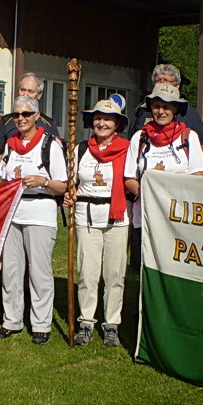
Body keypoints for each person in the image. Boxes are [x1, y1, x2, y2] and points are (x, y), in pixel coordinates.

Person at [0, 96, 67, 344]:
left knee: (39, 271)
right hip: (13, 212)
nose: (21, 119)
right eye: (17, 115)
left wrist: (43, 181)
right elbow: (3, 179)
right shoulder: (11, 145)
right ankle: (11, 320)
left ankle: (41, 324)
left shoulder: (50, 144)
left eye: (26, 114)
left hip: (40, 210)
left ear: (37, 116)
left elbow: (63, 186)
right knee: (12, 271)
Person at [67, 99, 130, 348]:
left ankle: (112, 324)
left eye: (108, 118)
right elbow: (70, 181)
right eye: (98, 117)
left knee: (115, 274)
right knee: (88, 273)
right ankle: (86, 322)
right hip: (86, 216)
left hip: (117, 217)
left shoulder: (126, 149)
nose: (102, 122)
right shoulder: (80, 149)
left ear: (117, 124)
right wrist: (69, 193)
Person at [124, 83, 203, 248]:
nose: (161, 111)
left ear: (175, 109)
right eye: (156, 106)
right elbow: (129, 177)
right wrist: (147, 192)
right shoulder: (140, 137)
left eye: (166, 106)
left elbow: (198, 176)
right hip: (146, 215)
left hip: (178, 217)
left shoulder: (189, 137)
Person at [129, 64, 203, 159]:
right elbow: (131, 142)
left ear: (177, 86)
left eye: (167, 80)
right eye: (158, 80)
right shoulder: (142, 110)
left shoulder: (190, 114)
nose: (162, 83)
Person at [0, 73, 59, 157]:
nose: (25, 94)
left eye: (30, 91)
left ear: (39, 95)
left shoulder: (49, 124)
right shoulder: (6, 121)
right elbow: (0, 153)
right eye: (23, 90)